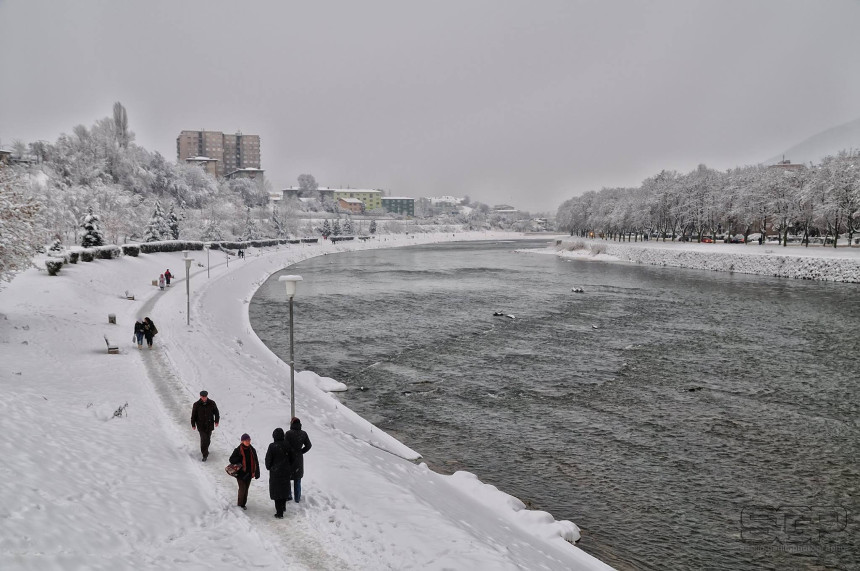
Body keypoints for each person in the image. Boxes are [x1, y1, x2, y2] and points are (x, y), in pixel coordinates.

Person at [265, 427, 293, 518]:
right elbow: (293, 457)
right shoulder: (287, 445)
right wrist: (288, 466)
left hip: (275, 473)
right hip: (285, 472)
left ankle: (279, 513)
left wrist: (270, 467)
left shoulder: (272, 446)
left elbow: (268, 460)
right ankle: (283, 507)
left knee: (277, 492)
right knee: (284, 490)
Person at [285, 417, 312, 503]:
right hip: (299, 459)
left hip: (289, 458)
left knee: (287, 478)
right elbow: (309, 445)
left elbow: (284, 446)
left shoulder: (288, 434)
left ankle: (289, 496)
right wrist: (301, 452)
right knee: (297, 479)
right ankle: (297, 498)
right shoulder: (303, 434)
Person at [229, 434, 260, 510]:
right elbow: (231, 459)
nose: (248, 442)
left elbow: (256, 461)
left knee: (246, 489)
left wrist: (257, 472)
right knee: (242, 488)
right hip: (240, 473)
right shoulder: (238, 450)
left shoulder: (252, 450)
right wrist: (239, 458)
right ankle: (239, 505)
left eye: (249, 440)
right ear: (242, 441)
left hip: (249, 473)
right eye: (246, 440)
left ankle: (243, 504)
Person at [190, 390, 219, 461]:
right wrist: (193, 424)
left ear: (207, 396)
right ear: (200, 396)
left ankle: (206, 450)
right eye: (202, 397)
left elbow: (216, 412)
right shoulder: (196, 404)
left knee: (208, 439)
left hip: (209, 424)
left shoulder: (212, 403)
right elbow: (193, 415)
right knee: (203, 440)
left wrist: (216, 421)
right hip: (201, 425)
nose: (204, 398)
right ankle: (204, 455)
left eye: (205, 397)